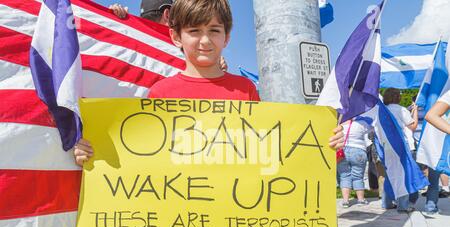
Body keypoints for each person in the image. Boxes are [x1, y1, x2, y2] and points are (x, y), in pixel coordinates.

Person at [74, 0, 344, 165]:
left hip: (233, 223)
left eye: (214, 30)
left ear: (226, 37)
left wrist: (324, 143)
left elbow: (268, 148)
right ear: (176, 36)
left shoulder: (244, 90)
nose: (205, 40)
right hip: (179, 226)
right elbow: (143, 154)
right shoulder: (160, 93)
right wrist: (93, 152)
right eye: (194, 31)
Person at [381, 88, 418, 213]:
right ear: (397, 97)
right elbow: (412, 126)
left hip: (386, 146)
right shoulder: (401, 110)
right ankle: (403, 205)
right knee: (403, 175)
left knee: (390, 174)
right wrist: (415, 111)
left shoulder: (382, 110)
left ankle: (386, 202)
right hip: (401, 146)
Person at [421, 89, 450, 213]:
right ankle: (430, 206)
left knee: (433, 179)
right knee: (433, 178)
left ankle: (430, 206)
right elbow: (431, 115)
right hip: (437, 145)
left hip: (436, 146)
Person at [337, 119, 372, 207]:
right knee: (358, 177)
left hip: (342, 151)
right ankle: (360, 200)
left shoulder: (339, 124)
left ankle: (345, 201)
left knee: (344, 176)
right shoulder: (362, 123)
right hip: (358, 151)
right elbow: (371, 130)